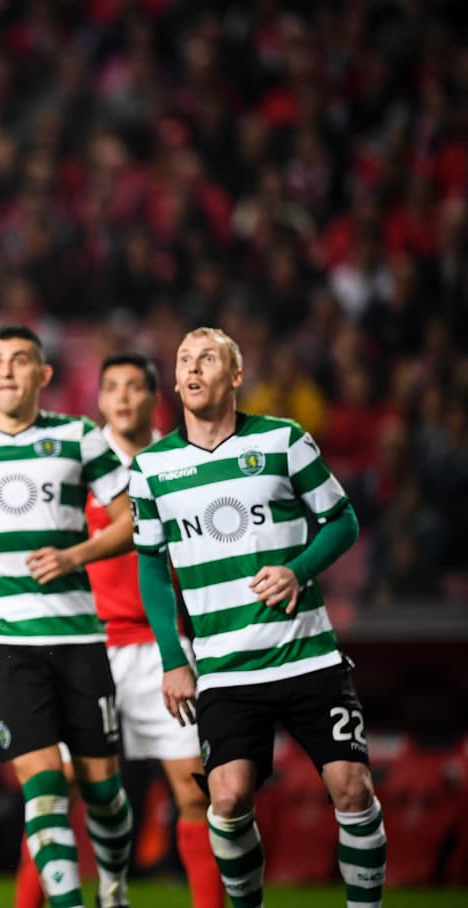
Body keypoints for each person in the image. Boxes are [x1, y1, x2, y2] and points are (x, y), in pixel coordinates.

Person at [131, 327, 386, 908]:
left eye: (209, 359)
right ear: (174, 380)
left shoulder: (283, 440)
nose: (194, 368)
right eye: (185, 360)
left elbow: (342, 520)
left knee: (352, 788)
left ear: (236, 376)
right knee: (227, 799)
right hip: (225, 668)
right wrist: (174, 659)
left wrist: (297, 570)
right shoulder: (151, 468)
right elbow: (151, 568)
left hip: (308, 654)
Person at [0, 325, 136, 908]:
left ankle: (114, 888)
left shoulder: (80, 437)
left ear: (44, 375)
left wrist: (76, 554)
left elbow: (130, 521)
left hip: (78, 633)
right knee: (42, 785)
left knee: (104, 793)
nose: (8, 371)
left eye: (21, 361)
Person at [14, 352, 224, 908]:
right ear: (101, 399)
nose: (124, 398)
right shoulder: (74, 462)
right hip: (86, 644)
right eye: (113, 388)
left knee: (195, 790)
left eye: (135, 388)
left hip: (161, 648)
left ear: (153, 398)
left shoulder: (180, 463)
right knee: (55, 791)